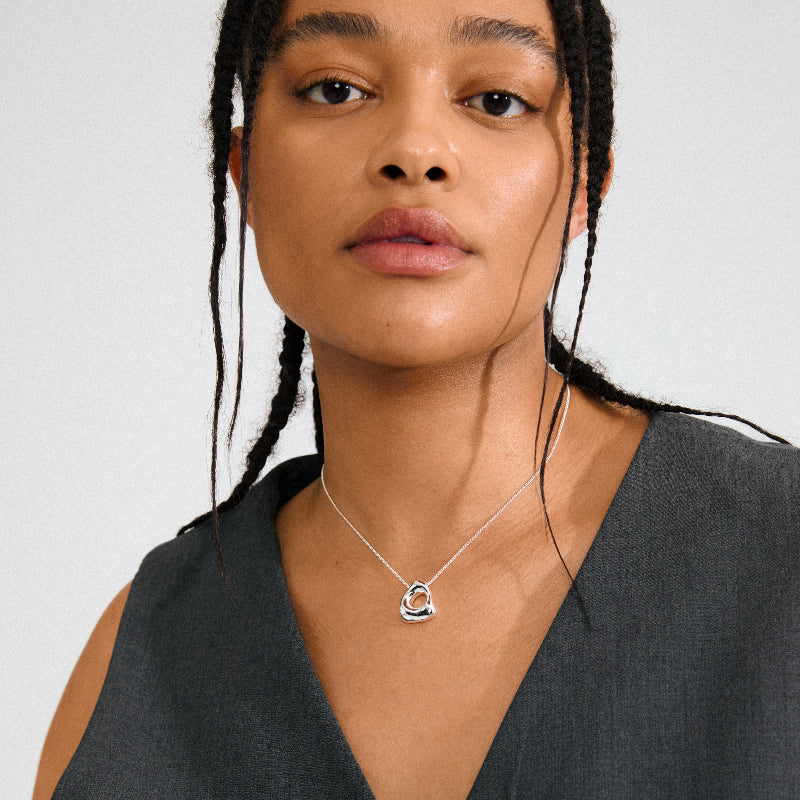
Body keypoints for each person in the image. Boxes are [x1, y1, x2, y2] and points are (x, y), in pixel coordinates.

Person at [34, 0, 799, 797]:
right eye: (335, 89)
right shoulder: (141, 660)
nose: (413, 151)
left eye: (496, 100)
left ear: (584, 184)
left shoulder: (778, 555)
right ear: (244, 168)